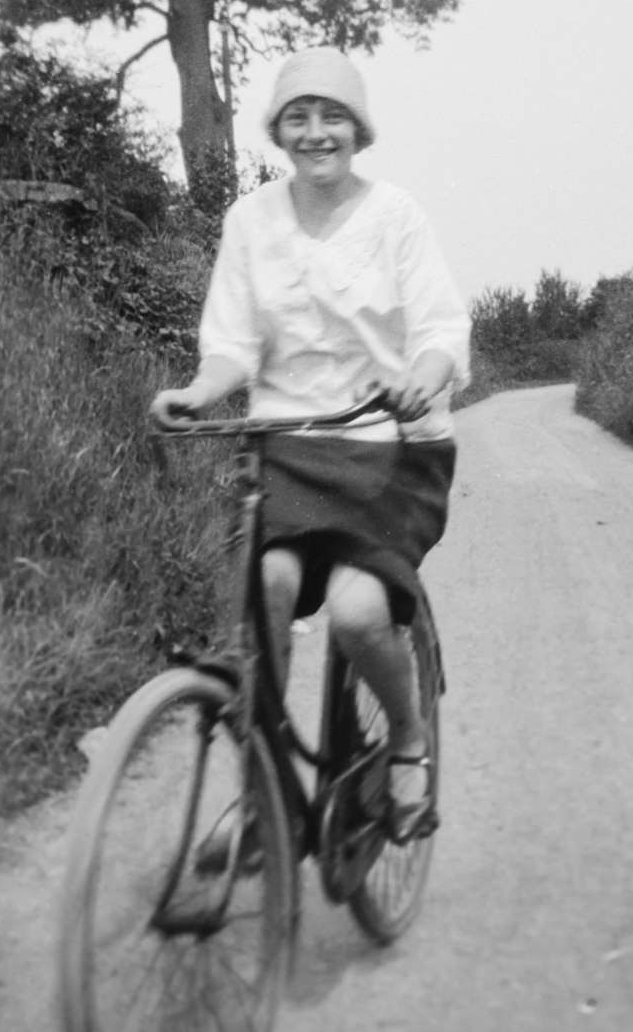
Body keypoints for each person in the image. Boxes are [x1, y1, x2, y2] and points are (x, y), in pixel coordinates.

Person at [151, 45, 470, 843]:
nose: (316, 131)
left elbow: (438, 329)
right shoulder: (249, 221)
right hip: (288, 445)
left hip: (388, 446)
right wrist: (199, 390)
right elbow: (231, 345)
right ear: (278, 130)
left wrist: (422, 377)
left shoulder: (395, 215)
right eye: (299, 116)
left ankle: (406, 738)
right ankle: (261, 801)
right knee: (266, 591)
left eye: (332, 116)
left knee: (362, 617)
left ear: (358, 130)